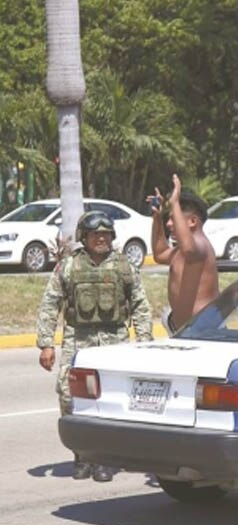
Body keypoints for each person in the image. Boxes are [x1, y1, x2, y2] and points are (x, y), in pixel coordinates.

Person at [36, 210, 153, 482]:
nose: (101, 238)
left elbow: (141, 306)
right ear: (83, 237)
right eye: (95, 234)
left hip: (116, 342)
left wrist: (144, 344)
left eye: (105, 234)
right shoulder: (68, 266)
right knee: (68, 395)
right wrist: (46, 344)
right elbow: (50, 303)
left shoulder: (124, 267)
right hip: (78, 338)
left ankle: (104, 458)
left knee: (111, 399)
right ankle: (81, 455)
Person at [148, 174, 219, 333]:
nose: (169, 224)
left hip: (204, 332)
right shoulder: (180, 251)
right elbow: (159, 254)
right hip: (181, 331)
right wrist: (157, 218)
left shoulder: (201, 246)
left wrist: (174, 202)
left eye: (174, 219)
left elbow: (189, 250)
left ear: (192, 222)